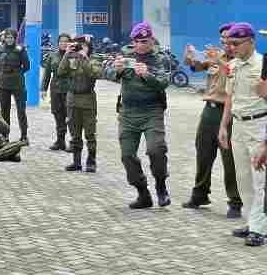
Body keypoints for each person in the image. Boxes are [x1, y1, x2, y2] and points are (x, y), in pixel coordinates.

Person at [107, 22, 171, 209]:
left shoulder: (160, 58)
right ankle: (143, 192)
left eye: (145, 41)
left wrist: (146, 75)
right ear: (133, 42)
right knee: (127, 155)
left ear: (151, 40)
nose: (141, 45)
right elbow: (107, 73)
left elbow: (164, 82)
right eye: (137, 41)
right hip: (128, 113)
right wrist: (116, 70)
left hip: (152, 111)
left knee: (156, 149)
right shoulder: (126, 55)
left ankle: (161, 185)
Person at [181, 23, 242, 218]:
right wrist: (190, 55)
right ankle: (199, 195)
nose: (225, 42)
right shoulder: (216, 56)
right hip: (210, 111)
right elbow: (196, 66)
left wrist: (219, 61)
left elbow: (235, 74)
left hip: (231, 113)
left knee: (230, 159)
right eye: (222, 38)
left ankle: (235, 201)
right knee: (203, 153)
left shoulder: (243, 60)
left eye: (228, 38)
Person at [219, 23, 267, 246]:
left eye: (236, 43)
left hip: (259, 126)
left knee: (260, 180)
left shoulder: (263, 64)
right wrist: (223, 126)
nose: (231, 47)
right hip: (238, 126)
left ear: (251, 41)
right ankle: (252, 221)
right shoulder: (232, 66)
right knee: (243, 179)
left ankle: (260, 228)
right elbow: (229, 98)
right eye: (229, 43)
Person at [58, 35, 102, 173]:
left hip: (87, 99)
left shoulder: (94, 60)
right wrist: (66, 54)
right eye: (79, 46)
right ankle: (76, 162)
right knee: (75, 133)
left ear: (89, 47)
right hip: (72, 100)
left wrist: (84, 58)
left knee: (90, 133)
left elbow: (94, 74)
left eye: (84, 46)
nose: (81, 48)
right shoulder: (71, 58)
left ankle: (91, 161)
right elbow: (60, 72)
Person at [0, 28, 30, 145]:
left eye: (11, 37)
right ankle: (5, 136)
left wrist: (16, 73)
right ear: (4, 38)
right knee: (4, 111)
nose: (9, 39)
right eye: (7, 37)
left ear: (15, 38)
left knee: (21, 111)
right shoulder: (0, 50)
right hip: (3, 84)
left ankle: (24, 136)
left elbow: (26, 66)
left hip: (17, 84)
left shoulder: (20, 50)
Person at [42, 33, 72, 151]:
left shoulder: (73, 56)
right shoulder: (52, 56)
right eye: (61, 41)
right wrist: (43, 89)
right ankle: (60, 141)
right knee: (58, 115)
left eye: (66, 41)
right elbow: (47, 73)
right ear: (58, 43)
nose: (63, 43)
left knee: (70, 117)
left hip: (69, 90)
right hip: (55, 89)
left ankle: (73, 142)